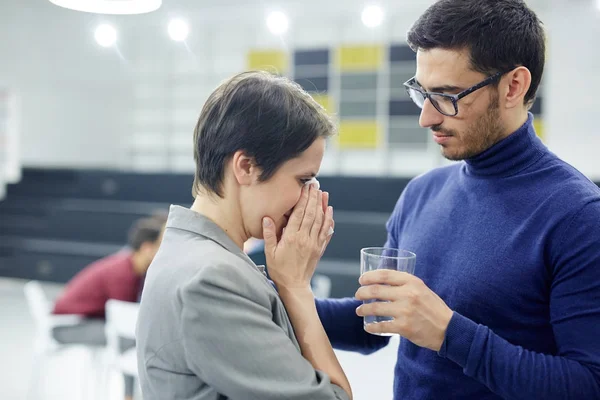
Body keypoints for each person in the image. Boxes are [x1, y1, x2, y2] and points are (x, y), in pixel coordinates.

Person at [311, 1, 600, 399]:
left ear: (513, 86)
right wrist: (272, 297)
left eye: (447, 95)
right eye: (421, 93)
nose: (426, 118)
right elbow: (373, 324)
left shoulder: (579, 216)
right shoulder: (420, 194)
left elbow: (588, 384)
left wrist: (450, 333)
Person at [135, 71, 352, 400]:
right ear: (246, 166)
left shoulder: (190, 252)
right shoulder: (212, 279)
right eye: (303, 180)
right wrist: (295, 287)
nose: (311, 198)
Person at [52, 213, 166, 400]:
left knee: (135, 338)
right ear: (147, 248)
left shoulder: (128, 266)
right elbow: (127, 325)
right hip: (65, 327)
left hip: (81, 322)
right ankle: (129, 396)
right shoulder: (124, 274)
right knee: (132, 339)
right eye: (161, 245)